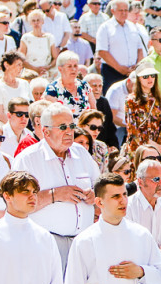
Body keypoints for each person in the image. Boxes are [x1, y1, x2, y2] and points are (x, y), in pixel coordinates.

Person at [14, 104, 100, 271]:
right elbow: (17, 204)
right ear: (46, 132)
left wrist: (94, 195)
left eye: (71, 126)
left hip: (83, 241)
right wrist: (55, 194)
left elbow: (100, 185)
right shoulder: (28, 159)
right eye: (62, 127)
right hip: (47, 244)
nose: (69, 131)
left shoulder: (81, 153)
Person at [123, 59, 161, 155]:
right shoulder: (131, 101)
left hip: (158, 150)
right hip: (139, 150)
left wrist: (160, 146)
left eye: (152, 76)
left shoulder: (160, 100)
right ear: (138, 79)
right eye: (145, 76)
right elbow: (132, 129)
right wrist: (150, 144)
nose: (150, 79)